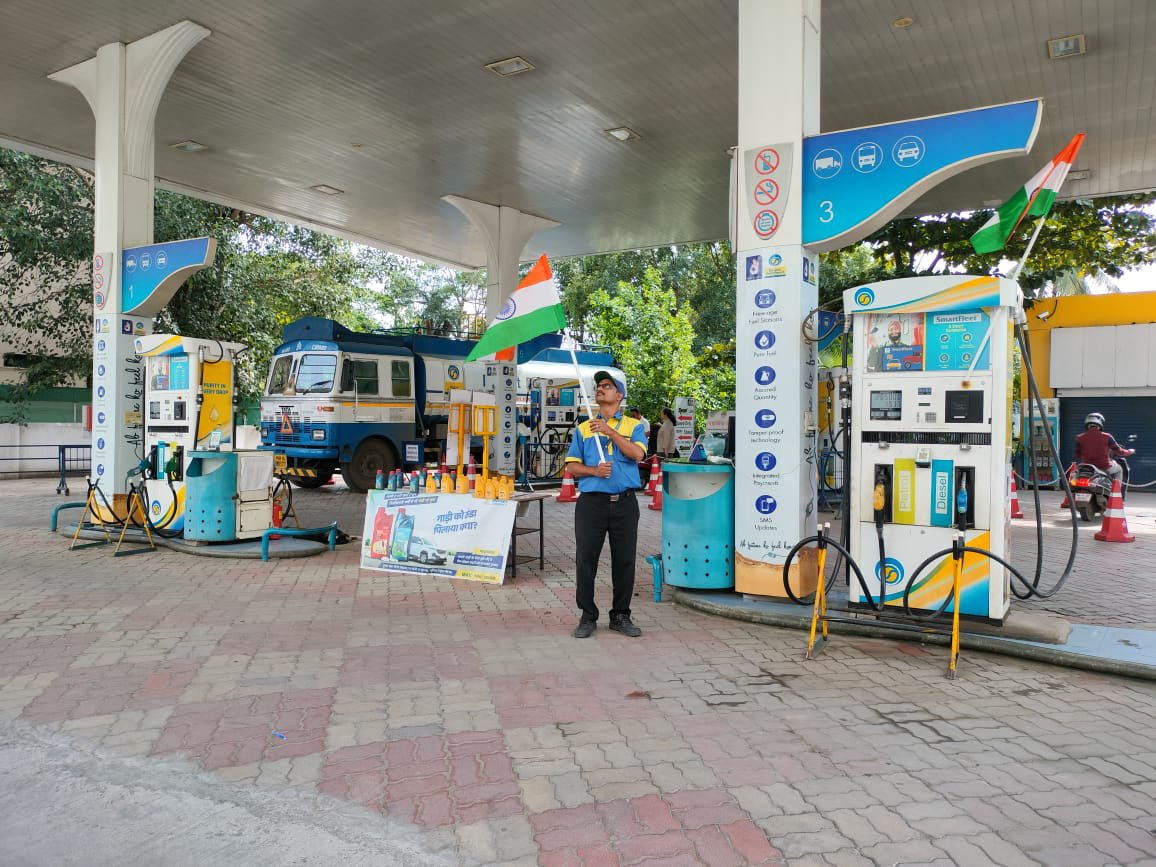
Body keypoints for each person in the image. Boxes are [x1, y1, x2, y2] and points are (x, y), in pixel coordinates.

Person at [565, 371, 648, 639]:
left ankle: (620, 614)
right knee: (585, 560)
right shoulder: (582, 428)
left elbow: (637, 454)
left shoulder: (633, 426)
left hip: (625, 504)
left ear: (619, 395)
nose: (600, 390)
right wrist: (593, 471)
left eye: (607, 386)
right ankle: (587, 615)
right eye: (598, 386)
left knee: (624, 561)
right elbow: (572, 467)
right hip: (592, 504)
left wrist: (610, 431)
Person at [1075, 412, 1133, 481]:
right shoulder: (1107, 436)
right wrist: (1130, 451)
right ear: (1100, 423)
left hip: (1087, 467)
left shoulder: (1079, 437)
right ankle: (1116, 491)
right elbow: (1120, 452)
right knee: (1119, 469)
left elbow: (1078, 455)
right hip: (1104, 466)